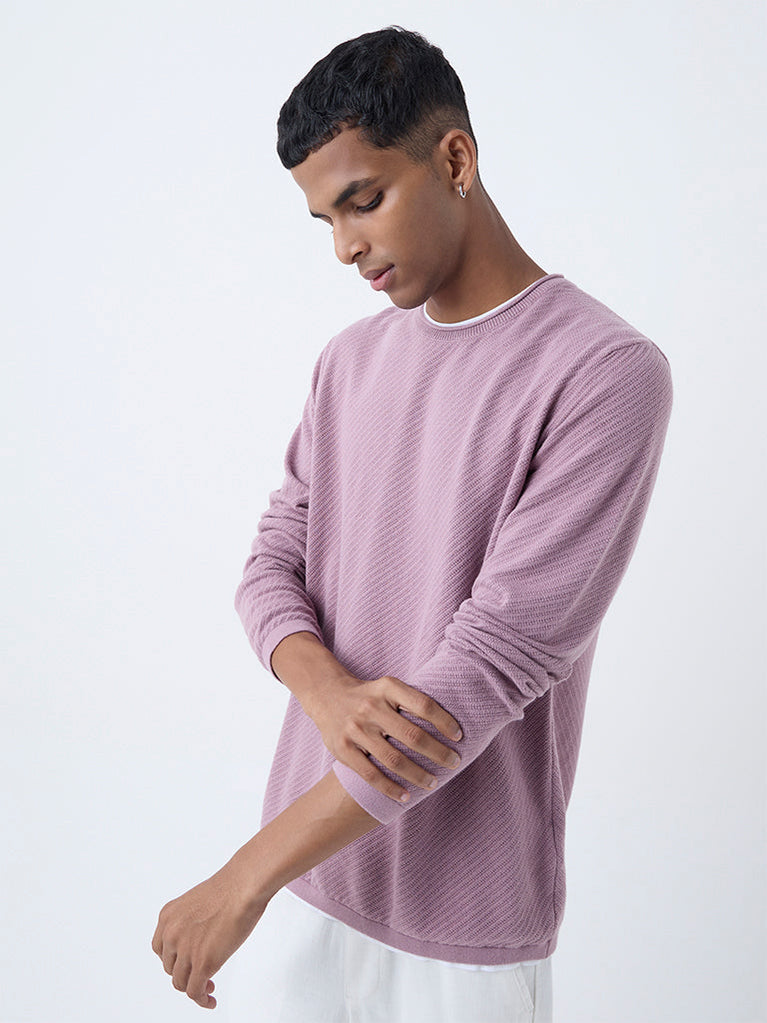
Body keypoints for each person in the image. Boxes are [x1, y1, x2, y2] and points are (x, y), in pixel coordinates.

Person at [151, 26, 673, 1021]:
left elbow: (488, 670)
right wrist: (329, 695)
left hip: (460, 927)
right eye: (324, 219)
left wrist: (240, 877)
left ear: (454, 159)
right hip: (305, 891)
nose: (344, 246)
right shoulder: (349, 362)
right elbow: (269, 569)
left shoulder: (603, 373)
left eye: (364, 201)